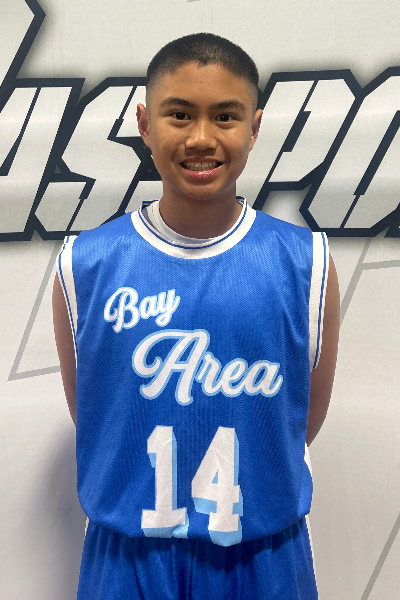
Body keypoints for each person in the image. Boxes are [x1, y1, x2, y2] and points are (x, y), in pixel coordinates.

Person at [53, 33, 340, 600]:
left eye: (225, 116)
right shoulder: (85, 263)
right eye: (179, 114)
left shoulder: (306, 261)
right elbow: (97, 416)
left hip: (263, 557)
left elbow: (295, 425)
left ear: (254, 128)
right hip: (127, 559)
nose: (201, 138)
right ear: (144, 123)